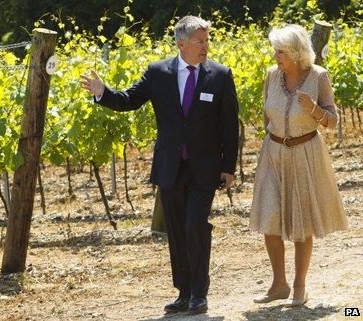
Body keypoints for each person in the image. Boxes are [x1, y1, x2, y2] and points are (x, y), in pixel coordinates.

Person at [81, 16, 239, 315]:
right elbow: (128, 99)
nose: (206, 46)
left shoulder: (220, 75)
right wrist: (102, 92)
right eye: (200, 41)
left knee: (195, 226)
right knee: (177, 231)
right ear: (182, 44)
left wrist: (228, 166)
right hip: (170, 166)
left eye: (207, 40)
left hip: (205, 168)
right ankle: (183, 292)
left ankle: (199, 293)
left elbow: (230, 126)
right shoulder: (158, 73)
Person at [250, 24, 348, 306]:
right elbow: (267, 115)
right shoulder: (271, 76)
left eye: (280, 51)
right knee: (270, 219)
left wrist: (313, 110)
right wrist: (272, 143)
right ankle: (278, 285)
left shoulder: (318, 77)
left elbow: (332, 120)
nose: (275, 55)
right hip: (273, 153)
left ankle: (299, 285)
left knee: (302, 222)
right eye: (275, 50)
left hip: (305, 153)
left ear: (296, 53)